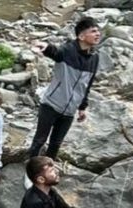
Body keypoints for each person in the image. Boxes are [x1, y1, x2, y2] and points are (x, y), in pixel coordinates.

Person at [26, 18, 101, 166]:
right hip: (51, 105)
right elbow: (55, 52)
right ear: (81, 36)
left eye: (98, 31)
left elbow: (87, 84)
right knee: (39, 140)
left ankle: (47, 172)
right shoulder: (68, 50)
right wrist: (45, 46)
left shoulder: (95, 57)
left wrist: (82, 107)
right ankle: (31, 171)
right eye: (93, 31)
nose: (98, 34)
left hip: (70, 111)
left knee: (55, 144)